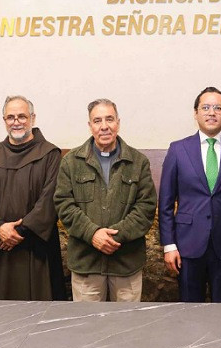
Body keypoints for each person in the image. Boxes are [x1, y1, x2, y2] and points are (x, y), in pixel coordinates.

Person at [158, 87, 221, 303]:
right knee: (190, 313)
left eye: (217, 108)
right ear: (196, 113)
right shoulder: (178, 149)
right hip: (187, 247)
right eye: (206, 107)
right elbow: (165, 203)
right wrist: (169, 245)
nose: (211, 113)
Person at [54, 98, 156, 302]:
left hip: (126, 264)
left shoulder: (138, 162)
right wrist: (93, 234)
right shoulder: (71, 162)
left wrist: (115, 237)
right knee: (87, 328)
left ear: (118, 122)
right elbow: (64, 205)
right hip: (86, 264)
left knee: (127, 327)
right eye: (97, 120)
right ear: (90, 125)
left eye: (109, 119)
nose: (104, 126)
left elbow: (146, 207)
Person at [0, 95, 65, 300]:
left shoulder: (49, 154)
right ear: (4, 120)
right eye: (10, 117)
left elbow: (50, 199)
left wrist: (19, 231)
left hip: (36, 246)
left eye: (22, 116)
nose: (16, 122)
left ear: (32, 117)